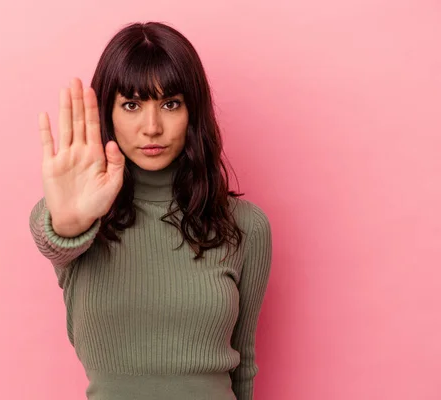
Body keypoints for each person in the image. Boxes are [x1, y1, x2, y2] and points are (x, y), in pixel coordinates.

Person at [29, 21, 272, 400]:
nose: (152, 127)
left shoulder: (245, 225)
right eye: (131, 105)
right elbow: (55, 238)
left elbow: (245, 366)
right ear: (108, 113)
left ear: (194, 112)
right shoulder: (74, 216)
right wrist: (71, 222)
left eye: (170, 104)